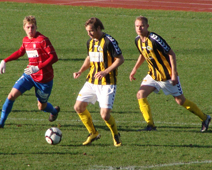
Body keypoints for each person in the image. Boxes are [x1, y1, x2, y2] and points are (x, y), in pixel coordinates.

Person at [129, 16, 211, 132]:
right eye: (137, 26)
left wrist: (173, 74)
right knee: (140, 94)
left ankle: (205, 117)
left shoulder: (155, 39)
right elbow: (143, 54)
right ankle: (150, 125)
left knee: (180, 101)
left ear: (147, 26)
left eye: (142, 26)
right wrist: (135, 69)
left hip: (167, 76)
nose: (139, 28)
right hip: (153, 75)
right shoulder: (137, 40)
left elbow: (171, 54)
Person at [0, 15, 60, 128]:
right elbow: (20, 52)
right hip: (30, 75)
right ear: (24, 27)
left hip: (44, 79)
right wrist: (5, 60)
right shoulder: (25, 40)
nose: (30, 30)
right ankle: (1, 123)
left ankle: (54, 111)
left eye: (32, 27)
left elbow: (54, 57)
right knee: (11, 95)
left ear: (36, 27)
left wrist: (38, 67)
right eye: (28, 27)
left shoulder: (42, 40)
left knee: (41, 107)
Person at [73, 17, 124, 147]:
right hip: (91, 81)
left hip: (107, 83)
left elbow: (120, 59)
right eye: (87, 31)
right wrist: (80, 70)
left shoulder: (109, 41)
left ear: (99, 28)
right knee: (78, 107)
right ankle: (93, 133)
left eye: (91, 31)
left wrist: (106, 71)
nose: (89, 33)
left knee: (105, 115)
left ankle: (115, 134)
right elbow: (89, 58)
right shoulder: (90, 42)